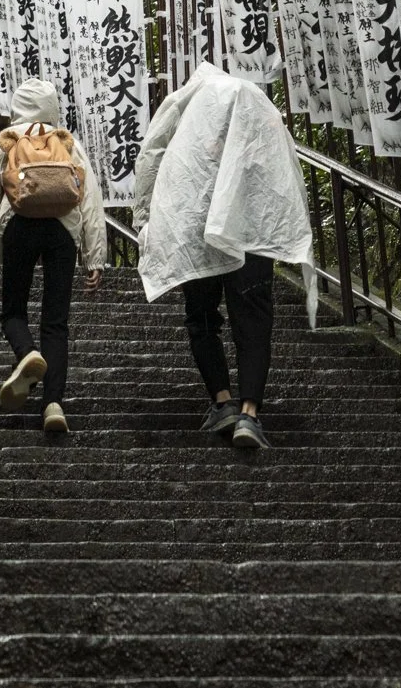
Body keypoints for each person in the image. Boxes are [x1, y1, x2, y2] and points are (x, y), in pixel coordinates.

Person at [133, 60, 314, 454]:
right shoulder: (255, 103)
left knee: (202, 317)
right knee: (254, 319)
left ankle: (222, 401)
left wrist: (144, 219)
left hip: (196, 229)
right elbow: (283, 166)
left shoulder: (186, 102)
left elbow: (151, 156)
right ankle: (250, 413)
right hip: (249, 230)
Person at [0, 77, 106, 433]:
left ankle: (28, 353)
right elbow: (91, 200)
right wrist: (94, 257)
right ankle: (53, 404)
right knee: (56, 321)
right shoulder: (67, 143)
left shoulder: (4, 143)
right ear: (52, 107)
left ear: (16, 107)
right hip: (63, 231)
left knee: (13, 311)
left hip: (19, 226)